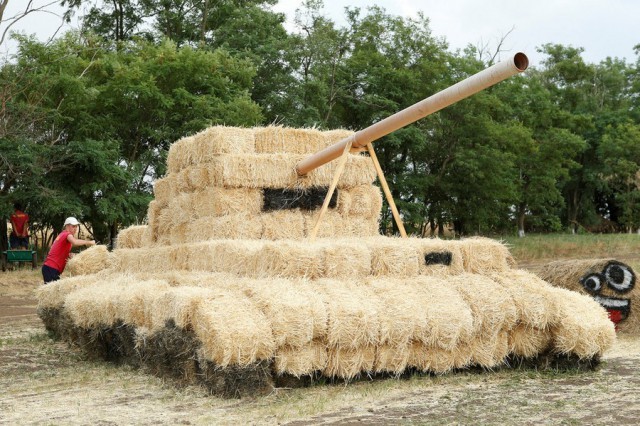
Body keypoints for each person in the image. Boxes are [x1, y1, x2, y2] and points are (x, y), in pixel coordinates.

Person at [42, 217, 96, 284]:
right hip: (51, 268)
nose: (75, 229)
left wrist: (69, 254)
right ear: (67, 226)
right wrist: (89, 242)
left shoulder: (62, 234)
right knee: (53, 292)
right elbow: (75, 242)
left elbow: (59, 251)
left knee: (56, 292)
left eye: (76, 226)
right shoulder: (67, 234)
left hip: (50, 268)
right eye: (73, 226)